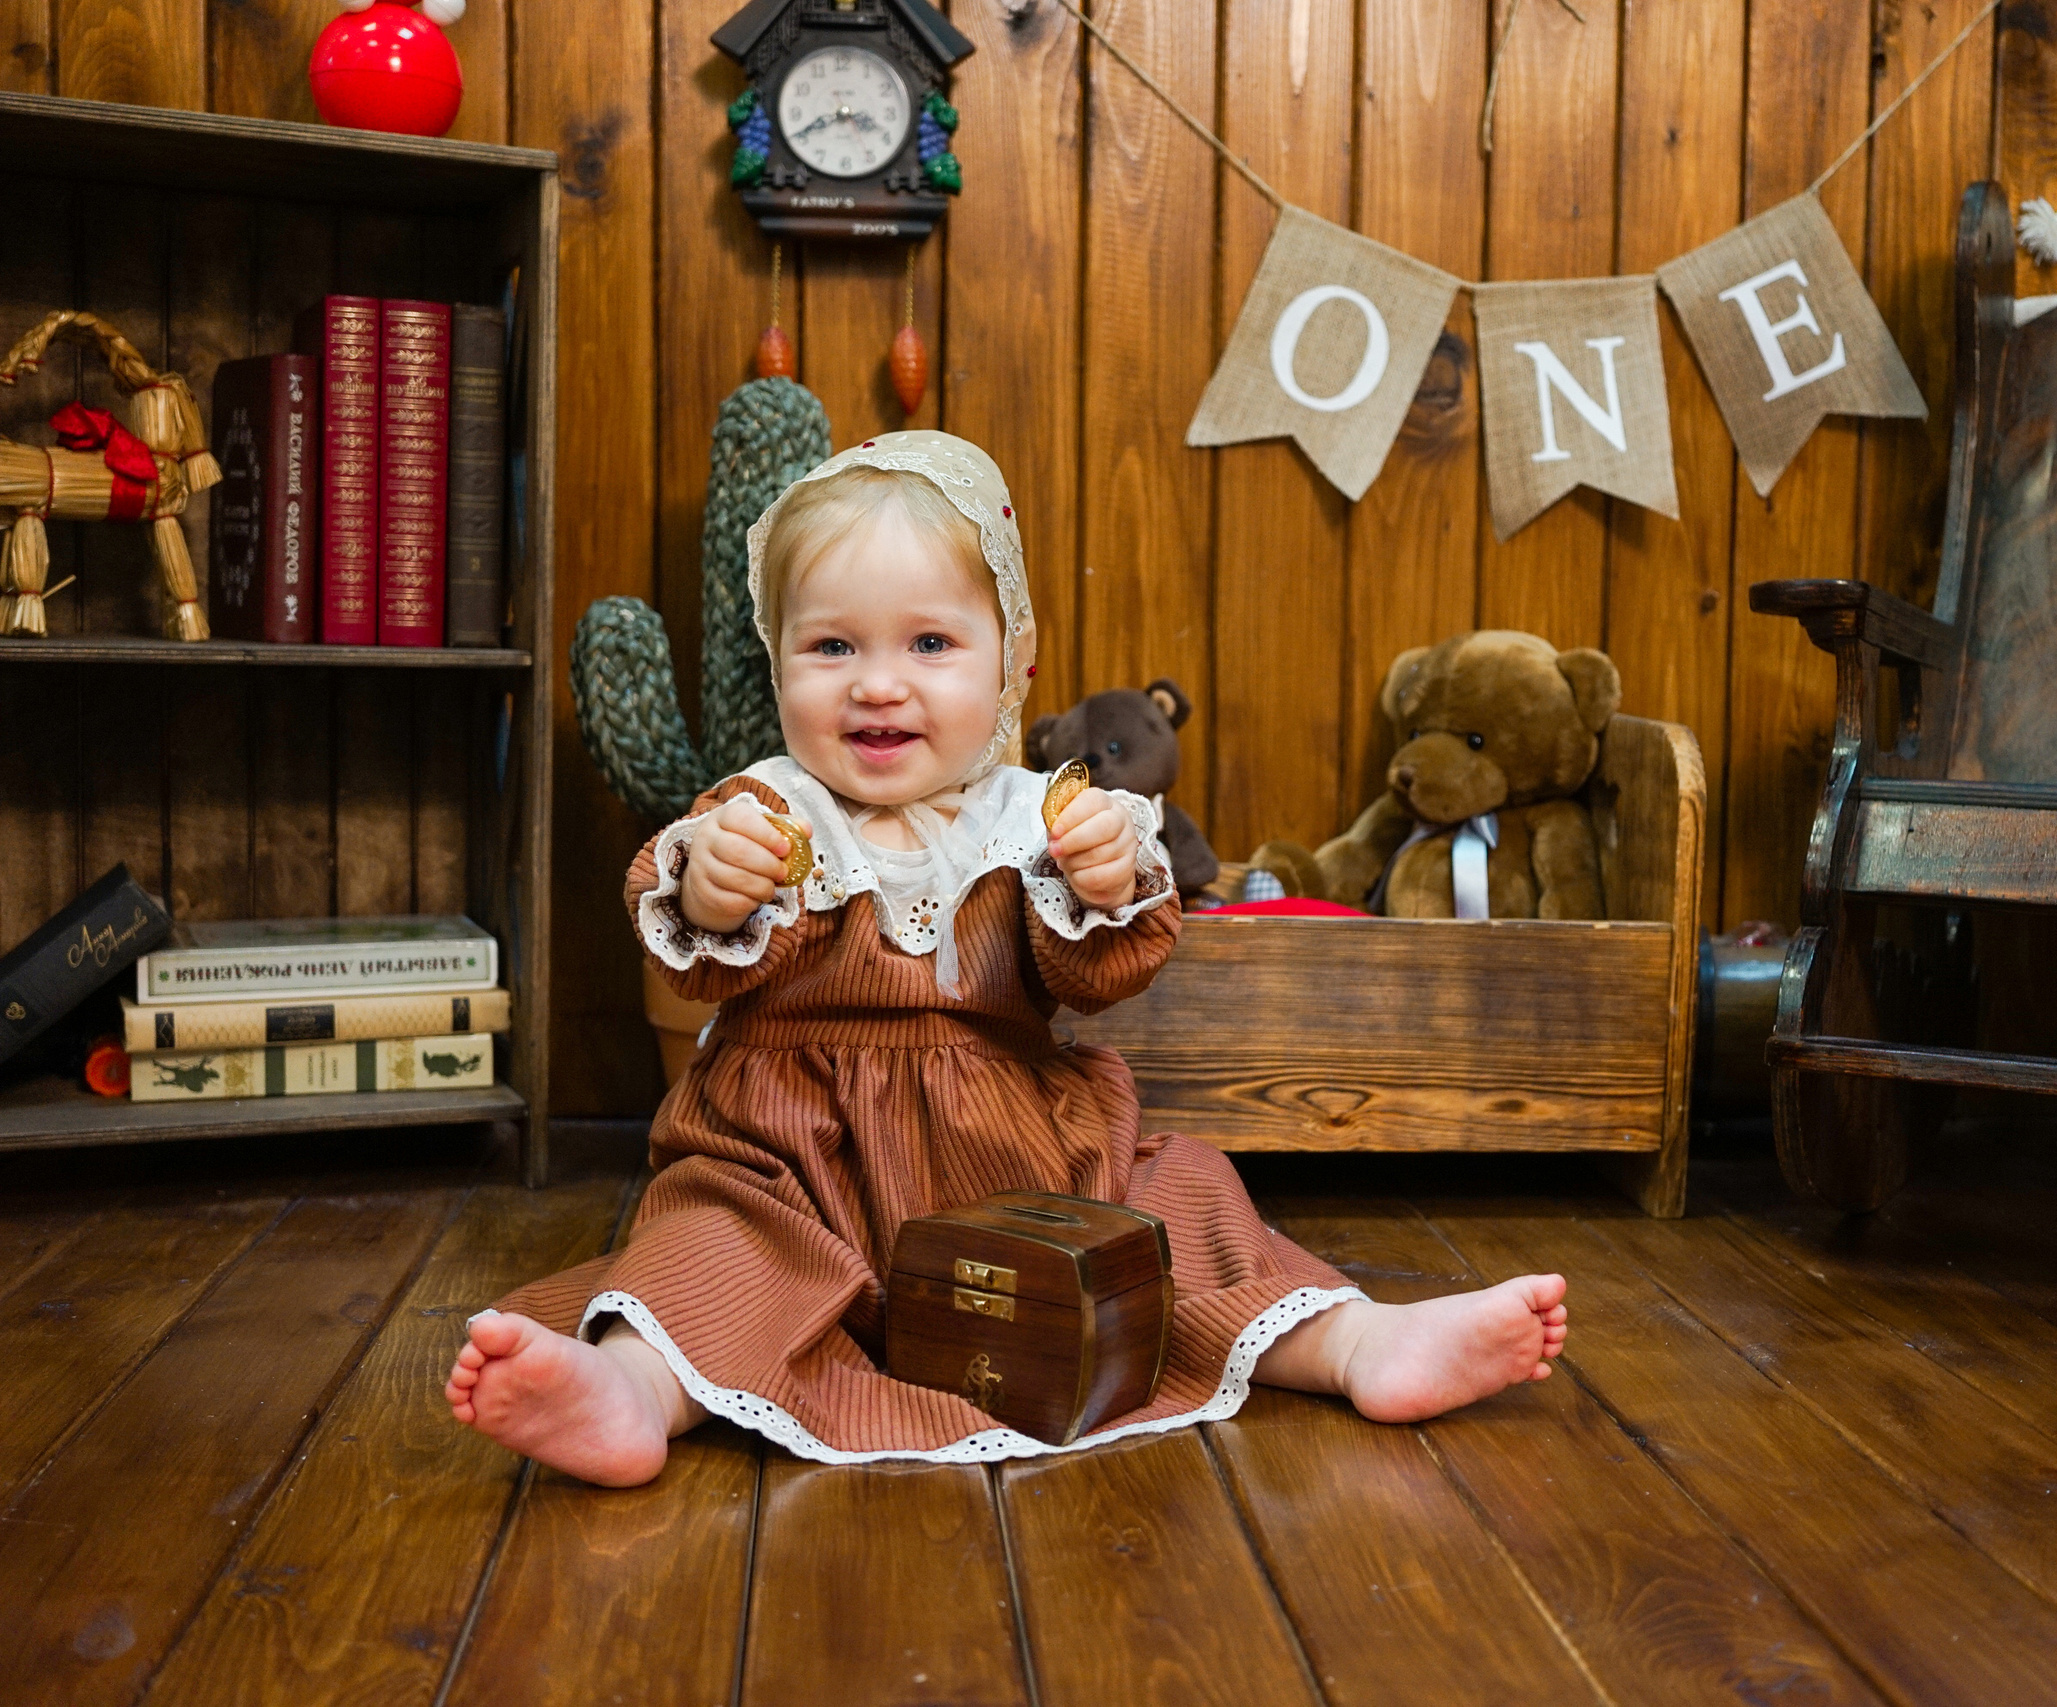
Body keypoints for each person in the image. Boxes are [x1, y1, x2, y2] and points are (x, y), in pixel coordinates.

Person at [442, 431, 1568, 1485]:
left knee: (1177, 1198)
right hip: (794, 1156)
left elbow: (1096, 976)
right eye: (831, 646)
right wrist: (710, 887)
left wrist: (1105, 887)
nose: (878, 683)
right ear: (777, 659)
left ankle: (1355, 1341)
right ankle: (634, 1393)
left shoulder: (1042, 815)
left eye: (930, 644)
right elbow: (703, 964)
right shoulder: (767, 809)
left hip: (1024, 1158)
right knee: (708, 1241)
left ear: (1008, 662)